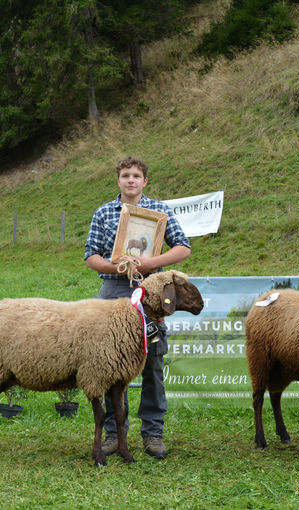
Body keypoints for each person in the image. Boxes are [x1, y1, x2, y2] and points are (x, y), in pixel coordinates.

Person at [84, 156, 191, 459]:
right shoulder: (103, 213)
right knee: (108, 364)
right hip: (113, 292)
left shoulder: (160, 211)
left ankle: (153, 434)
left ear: (145, 181)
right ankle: (113, 434)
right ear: (118, 180)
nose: (130, 180)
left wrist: (151, 264)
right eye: (125, 175)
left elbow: (183, 246)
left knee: (153, 362)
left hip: (151, 295)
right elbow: (90, 255)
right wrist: (116, 267)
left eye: (136, 175)